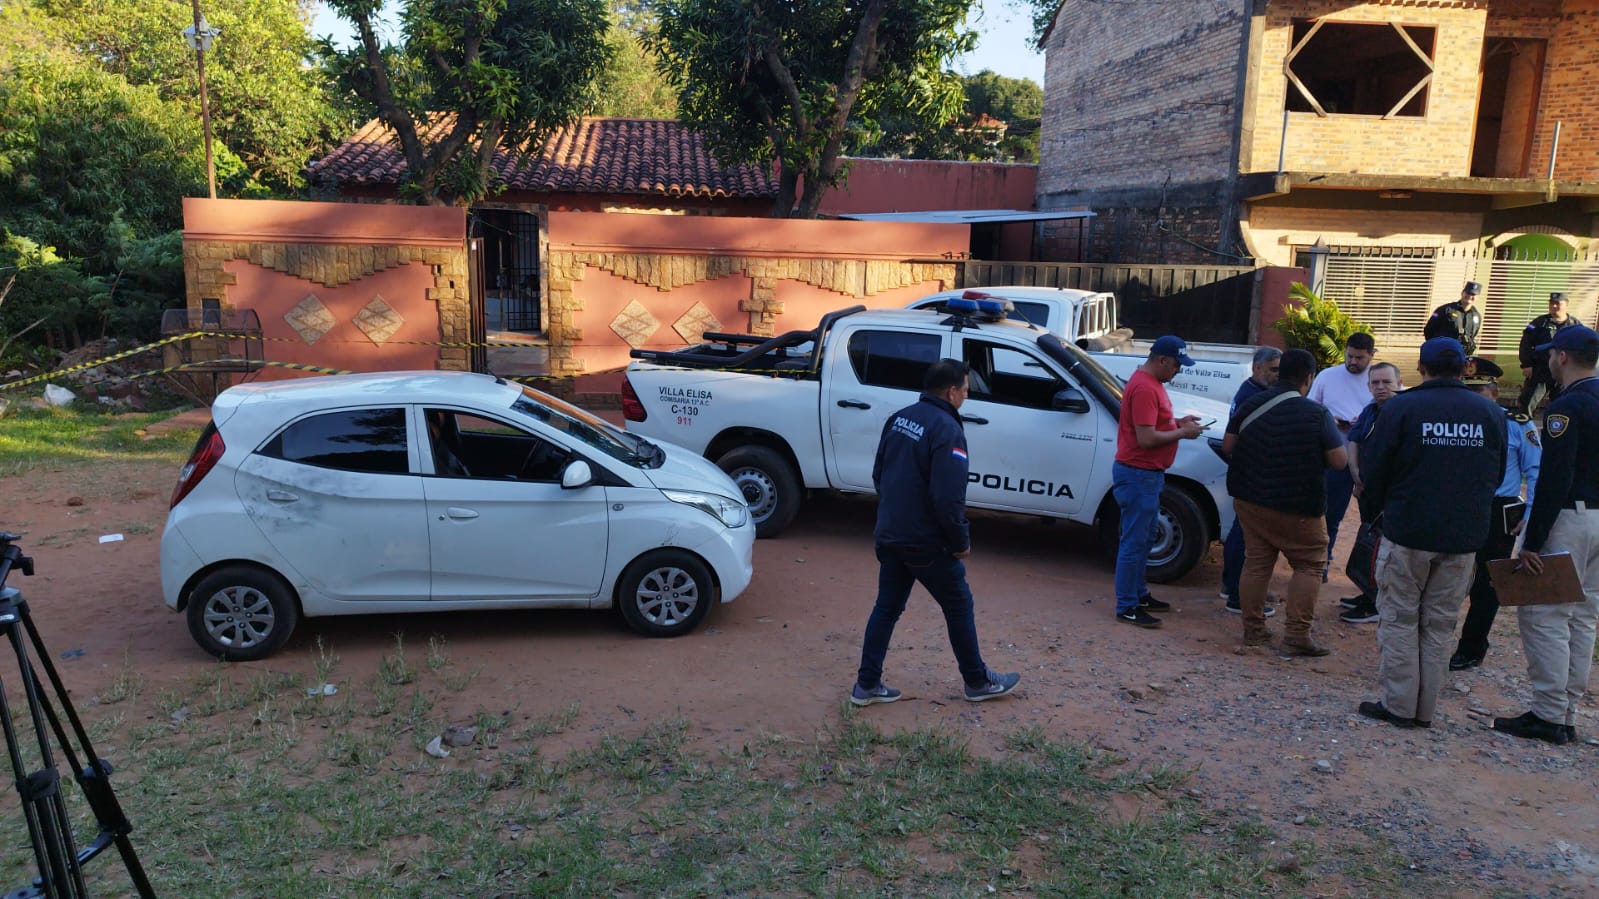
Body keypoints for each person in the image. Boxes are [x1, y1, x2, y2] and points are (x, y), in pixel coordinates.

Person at [850, 359, 1020, 706]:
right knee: (958, 603)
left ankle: (866, 685)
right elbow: (948, 497)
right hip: (925, 541)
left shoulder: (899, 419)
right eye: (966, 391)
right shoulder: (947, 430)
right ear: (951, 391)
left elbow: (879, 474)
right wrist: (959, 541)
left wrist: (896, 514)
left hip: (892, 532)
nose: (966, 397)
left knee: (887, 607)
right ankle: (976, 681)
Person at [1356, 337, 1506, 728]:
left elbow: (1375, 471)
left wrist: (1383, 511)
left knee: (1401, 619)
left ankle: (1399, 706)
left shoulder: (1402, 407)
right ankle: (1425, 710)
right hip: (1463, 538)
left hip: (1409, 533)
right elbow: (1497, 472)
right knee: (1439, 624)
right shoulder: (1489, 413)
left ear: (1420, 369)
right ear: (1463, 369)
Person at [1495, 326, 1599, 745]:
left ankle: (1549, 713)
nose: (1549, 361)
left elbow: (1555, 480)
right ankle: (1566, 711)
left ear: (1563, 357)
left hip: (1569, 521)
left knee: (1545, 614)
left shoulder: (1567, 407)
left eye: (1552, 354)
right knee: (1583, 617)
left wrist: (1532, 542)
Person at [1221, 349, 1347, 654]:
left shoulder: (1250, 403)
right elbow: (1339, 462)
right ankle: (1296, 636)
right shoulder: (1317, 414)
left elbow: (1228, 446)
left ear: (1280, 372)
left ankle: (1253, 632)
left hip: (1250, 500)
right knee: (1309, 564)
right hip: (1299, 506)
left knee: (1257, 563)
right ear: (1308, 378)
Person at [1449, 358, 1539, 670]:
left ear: (1495, 392)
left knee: (1488, 583)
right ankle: (1435, 642)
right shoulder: (1455, 419)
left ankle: (1471, 647)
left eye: (1480, 391)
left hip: (1498, 509)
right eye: (1468, 390)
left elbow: (1536, 470)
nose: (1474, 398)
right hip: (1459, 505)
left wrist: (1530, 512)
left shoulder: (1517, 423)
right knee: (1448, 574)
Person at [1112, 335, 1206, 628]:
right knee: (1135, 541)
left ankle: (1138, 595)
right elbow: (1147, 438)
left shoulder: (1150, 385)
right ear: (1162, 360)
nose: (1180, 370)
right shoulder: (1144, 388)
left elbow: (1153, 426)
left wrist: (1177, 423)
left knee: (1143, 539)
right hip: (1138, 473)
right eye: (1178, 364)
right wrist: (1182, 433)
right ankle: (1127, 605)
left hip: (1146, 475)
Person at [1339, 362, 1404, 623]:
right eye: (1375, 383)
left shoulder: (1404, 411)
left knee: (1385, 550)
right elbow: (1354, 439)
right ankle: (1367, 593)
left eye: (1386, 382)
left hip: (1392, 495)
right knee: (1369, 544)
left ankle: (1378, 604)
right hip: (1368, 491)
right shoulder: (1370, 411)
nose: (1380, 387)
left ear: (1399, 384)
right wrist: (1355, 472)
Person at [1220, 346, 1283, 614]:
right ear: (1257, 368)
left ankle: (1238, 586)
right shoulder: (1251, 396)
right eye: (1273, 370)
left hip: (1251, 474)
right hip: (1250, 474)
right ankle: (1237, 593)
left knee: (1246, 533)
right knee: (1244, 535)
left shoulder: (1255, 392)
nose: (1277, 375)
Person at [1307, 332, 1375, 578]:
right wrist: (1329, 420)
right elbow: (1312, 407)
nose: (1353, 362)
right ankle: (1322, 563)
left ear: (1371, 356)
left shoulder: (1379, 379)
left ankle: (1366, 573)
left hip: (1368, 460)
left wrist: (1363, 422)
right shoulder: (1327, 376)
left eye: (1359, 358)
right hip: (1334, 456)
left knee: (1372, 520)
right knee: (1329, 514)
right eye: (1350, 356)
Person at [1518, 291, 1577, 414]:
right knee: (1527, 403)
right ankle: (1524, 429)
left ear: (1566, 305)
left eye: (1557, 303)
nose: (1554, 306)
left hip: (1563, 372)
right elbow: (1526, 343)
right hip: (1540, 370)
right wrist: (1527, 364)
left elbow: (1580, 348)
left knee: (1562, 406)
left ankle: (1555, 430)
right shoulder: (1539, 323)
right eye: (1551, 303)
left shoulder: (1574, 325)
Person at [1424, 281, 1483, 356]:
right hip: (1442, 354)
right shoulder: (1445, 310)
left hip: (1462, 357)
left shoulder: (1476, 316)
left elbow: (1473, 335)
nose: (1470, 296)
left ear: (1477, 297)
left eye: (1473, 294)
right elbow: (1429, 330)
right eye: (1468, 293)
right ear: (1462, 293)